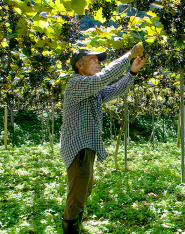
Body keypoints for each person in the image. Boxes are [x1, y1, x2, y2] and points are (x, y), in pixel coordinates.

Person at [60, 44, 146, 233]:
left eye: (98, 60)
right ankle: (70, 227)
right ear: (79, 66)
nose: (98, 63)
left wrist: (131, 73)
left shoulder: (92, 89)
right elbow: (105, 77)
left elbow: (114, 90)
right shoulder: (76, 83)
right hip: (78, 147)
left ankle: (76, 225)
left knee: (84, 191)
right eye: (93, 60)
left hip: (87, 147)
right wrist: (129, 55)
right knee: (77, 197)